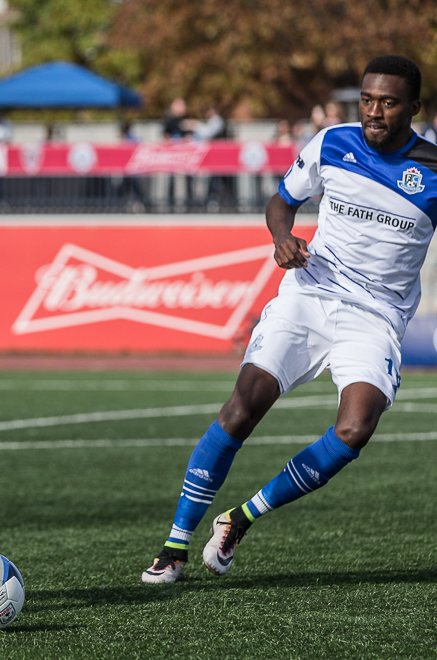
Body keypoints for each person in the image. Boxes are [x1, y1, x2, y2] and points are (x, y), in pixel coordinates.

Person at [141, 55, 436, 583]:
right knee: (242, 406)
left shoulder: (433, 171)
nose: (373, 112)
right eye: (367, 100)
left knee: (355, 429)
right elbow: (282, 202)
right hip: (311, 294)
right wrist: (281, 240)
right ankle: (175, 544)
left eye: (388, 103)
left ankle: (241, 517)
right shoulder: (332, 143)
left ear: (413, 108)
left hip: (376, 318)